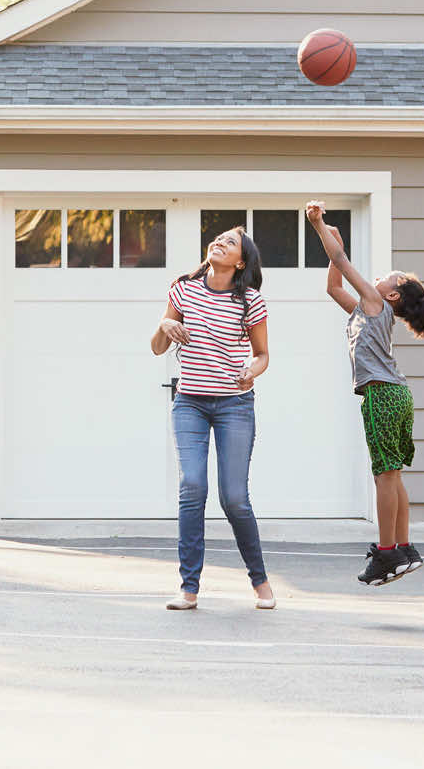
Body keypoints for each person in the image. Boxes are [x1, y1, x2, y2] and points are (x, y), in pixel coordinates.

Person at [304, 202, 424, 587]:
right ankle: (404, 548)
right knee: (393, 475)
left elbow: (340, 260)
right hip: (397, 394)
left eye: (392, 277)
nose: (384, 277)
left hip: (384, 396)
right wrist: (334, 238)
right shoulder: (365, 310)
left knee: (384, 476)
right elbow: (333, 285)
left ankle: (387, 554)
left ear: (392, 296)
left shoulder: (373, 301)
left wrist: (320, 227)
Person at [149, 226, 276, 611]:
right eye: (218, 238)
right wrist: (164, 326)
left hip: (234, 405)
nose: (220, 242)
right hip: (190, 402)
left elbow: (263, 354)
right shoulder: (183, 289)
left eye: (230, 242)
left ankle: (260, 580)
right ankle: (188, 588)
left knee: (234, 497)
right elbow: (158, 349)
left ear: (240, 261)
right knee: (192, 486)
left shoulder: (250, 301)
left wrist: (252, 371)